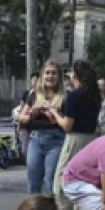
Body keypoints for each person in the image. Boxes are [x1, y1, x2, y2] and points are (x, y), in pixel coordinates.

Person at [53, 59, 102, 210]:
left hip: (75, 140)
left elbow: (67, 125)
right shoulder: (94, 96)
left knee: (61, 184)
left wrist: (54, 114)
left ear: (76, 75)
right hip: (91, 140)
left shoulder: (74, 96)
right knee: (86, 183)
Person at [19, 59, 66, 196]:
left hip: (56, 140)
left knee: (51, 181)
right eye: (47, 73)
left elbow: (67, 123)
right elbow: (22, 118)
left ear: (59, 77)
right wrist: (34, 112)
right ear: (42, 76)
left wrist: (53, 113)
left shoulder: (64, 97)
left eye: (54, 73)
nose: (50, 76)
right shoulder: (34, 95)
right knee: (33, 181)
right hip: (35, 139)